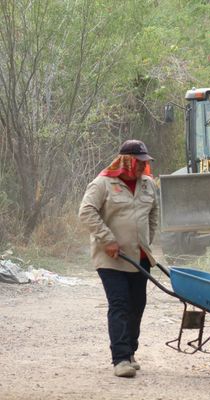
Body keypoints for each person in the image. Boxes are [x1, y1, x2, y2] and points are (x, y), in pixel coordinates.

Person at [79, 139, 159, 378]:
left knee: (137, 305)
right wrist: (108, 239)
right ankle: (121, 358)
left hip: (140, 258)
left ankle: (131, 351)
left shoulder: (148, 185)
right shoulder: (103, 183)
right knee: (120, 305)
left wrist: (147, 240)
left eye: (145, 162)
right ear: (126, 161)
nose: (142, 167)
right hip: (111, 258)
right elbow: (86, 212)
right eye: (138, 162)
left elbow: (154, 213)